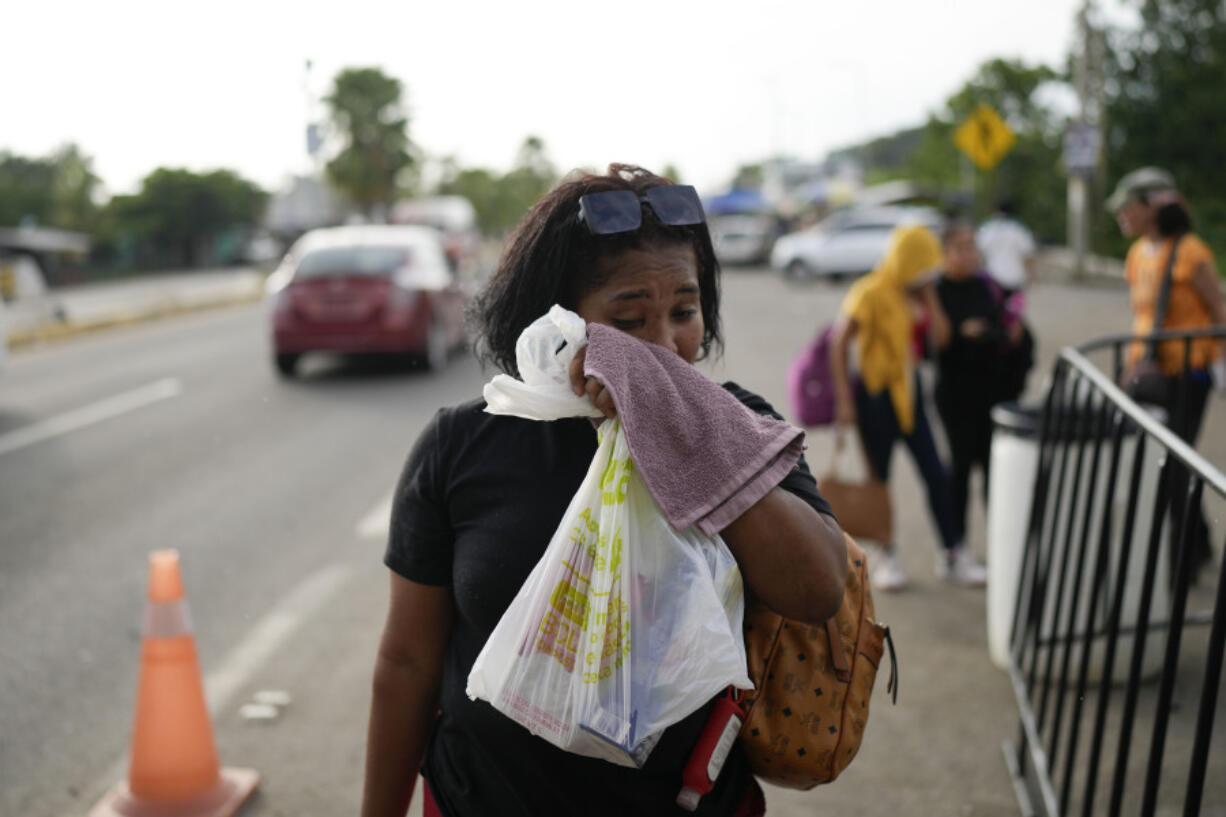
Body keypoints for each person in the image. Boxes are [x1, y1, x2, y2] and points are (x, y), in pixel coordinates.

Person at [361, 164, 848, 817]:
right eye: (629, 319)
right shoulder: (464, 445)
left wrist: (690, 432)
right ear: (560, 320)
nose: (665, 344)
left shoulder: (738, 429)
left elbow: (817, 587)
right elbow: (406, 662)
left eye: (684, 310)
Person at [829, 223, 987, 592]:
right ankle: (888, 555)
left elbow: (941, 340)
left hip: (910, 393)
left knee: (936, 473)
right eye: (923, 264)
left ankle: (952, 552)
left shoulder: (913, 294)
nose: (929, 272)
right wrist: (844, 402)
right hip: (875, 395)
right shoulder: (868, 291)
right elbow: (839, 343)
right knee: (879, 480)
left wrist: (930, 299)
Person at [1109, 167, 1226, 582]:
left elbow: (1218, 310)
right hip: (1150, 371)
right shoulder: (1138, 253)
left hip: (1188, 372)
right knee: (1168, 460)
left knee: (1175, 464)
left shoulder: (1192, 252)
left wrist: (1220, 364)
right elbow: (1142, 316)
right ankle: (1201, 544)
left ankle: (1183, 562)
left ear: (1152, 208)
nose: (1121, 214)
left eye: (1128, 206)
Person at [932, 222, 1027, 554]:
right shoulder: (935, 290)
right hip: (955, 394)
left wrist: (991, 332)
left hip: (993, 390)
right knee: (959, 470)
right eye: (960, 247)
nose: (969, 253)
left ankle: (1001, 544)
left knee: (994, 468)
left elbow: (1009, 330)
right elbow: (935, 343)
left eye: (972, 246)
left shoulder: (988, 286)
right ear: (944, 254)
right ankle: (955, 548)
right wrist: (963, 332)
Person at [976, 198, 1037, 313]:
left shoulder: (987, 228)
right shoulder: (1020, 229)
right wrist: (1032, 275)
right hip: (1015, 279)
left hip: (992, 279)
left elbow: (979, 254)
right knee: (1013, 315)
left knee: (994, 312)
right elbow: (1028, 255)